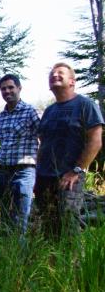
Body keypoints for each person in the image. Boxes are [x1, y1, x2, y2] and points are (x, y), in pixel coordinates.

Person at [34, 62, 104, 240]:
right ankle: (50, 266)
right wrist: (37, 173)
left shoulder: (85, 105)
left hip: (70, 177)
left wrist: (76, 170)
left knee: (68, 222)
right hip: (44, 177)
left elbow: (95, 141)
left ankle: (73, 265)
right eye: (52, 73)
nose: (54, 75)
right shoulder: (49, 111)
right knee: (48, 224)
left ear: (72, 81)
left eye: (60, 73)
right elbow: (43, 143)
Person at [0, 74, 40, 233]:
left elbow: (43, 138)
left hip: (24, 170)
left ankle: (20, 255)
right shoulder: (0, 117)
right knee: (5, 215)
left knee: (20, 217)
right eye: (3, 89)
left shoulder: (31, 111)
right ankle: (7, 253)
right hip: (3, 171)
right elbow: (1, 142)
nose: (7, 91)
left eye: (10, 87)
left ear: (19, 88)